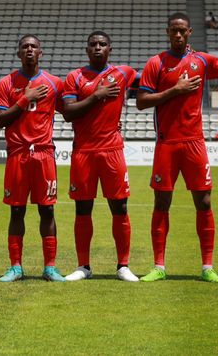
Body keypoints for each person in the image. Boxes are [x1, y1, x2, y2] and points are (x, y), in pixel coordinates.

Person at [135, 12, 218, 283]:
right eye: (173, 30)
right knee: (162, 202)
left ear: (190, 32)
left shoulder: (203, 60)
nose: (178, 35)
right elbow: (142, 101)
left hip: (194, 143)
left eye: (182, 30)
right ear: (167, 32)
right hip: (166, 143)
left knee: (204, 202)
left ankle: (207, 267)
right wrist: (175, 91)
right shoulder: (156, 63)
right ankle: (159, 266)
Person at [61, 31, 138, 282]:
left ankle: (123, 266)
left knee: (120, 207)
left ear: (110, 49)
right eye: (93, 44)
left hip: (112, 150)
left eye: (102, 44)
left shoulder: (123, 73)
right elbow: (69, 112)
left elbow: (153, 78)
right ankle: (83, 266)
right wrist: (96, 96)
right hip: (84, 151)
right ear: (86, 50)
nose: (97, 48)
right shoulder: (75, 77)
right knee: (83, 209)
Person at [0, 35, 66, 282]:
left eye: (33, 47)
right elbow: (1, 119)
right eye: (24, 47)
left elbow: (70, 112)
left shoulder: (55, 83)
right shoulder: (7, 83)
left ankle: (50, 267)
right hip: (18, 154)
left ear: (40, 52)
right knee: (17, 211)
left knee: (47, 211)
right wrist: (25, 99)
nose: (29, 50)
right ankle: (16, 267)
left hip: (44, 154)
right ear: (18, 53)